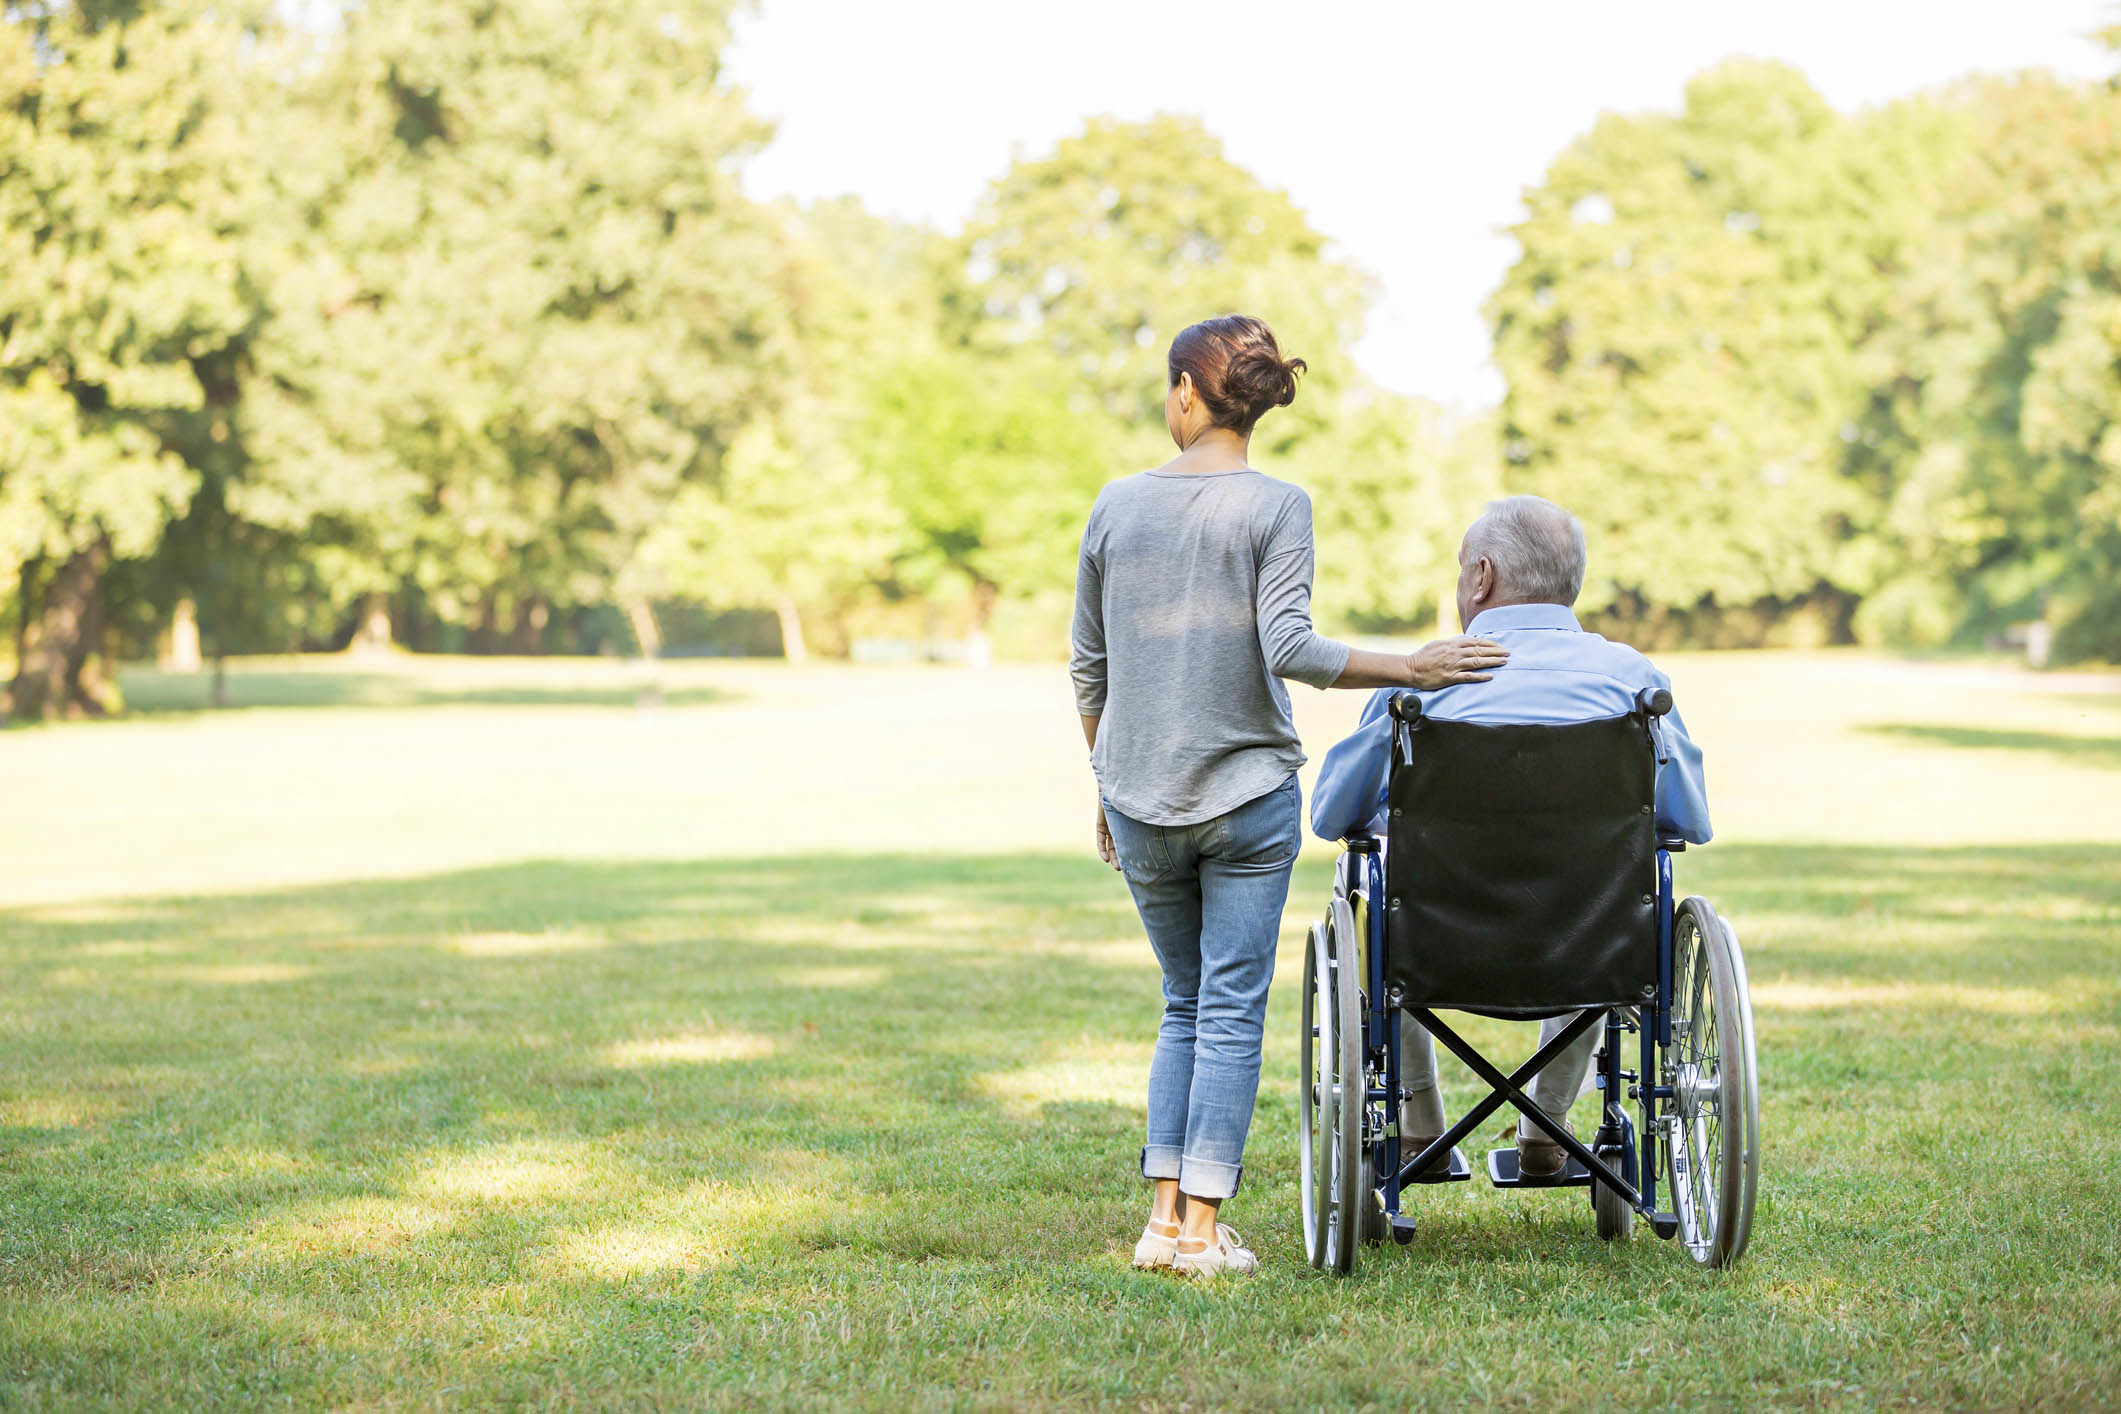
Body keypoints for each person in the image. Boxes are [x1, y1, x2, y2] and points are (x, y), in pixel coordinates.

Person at [1069, 314, 1508, 1279]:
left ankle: (1161, 1222)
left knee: (1182, 1002)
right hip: (1246, 796)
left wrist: (1106, 782)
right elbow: (1291, 648)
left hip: (1137, 796)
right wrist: (1413, 665)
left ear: (1187, 391)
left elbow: (1089, 670)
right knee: (1228, 1008)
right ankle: (1199, 1234)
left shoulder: (1114, 505)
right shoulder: (1278, 506)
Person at [1309, 494, 1713, 1179]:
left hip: (1434, 945)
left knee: (1375, 892)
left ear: (1482, 576)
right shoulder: (1633, 682)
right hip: (1589, 944)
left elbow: (1330, 817)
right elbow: (1687, 822)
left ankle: (1418, 1127)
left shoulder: (1422, 684)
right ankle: (1545, 1130)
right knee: (1606, 889)